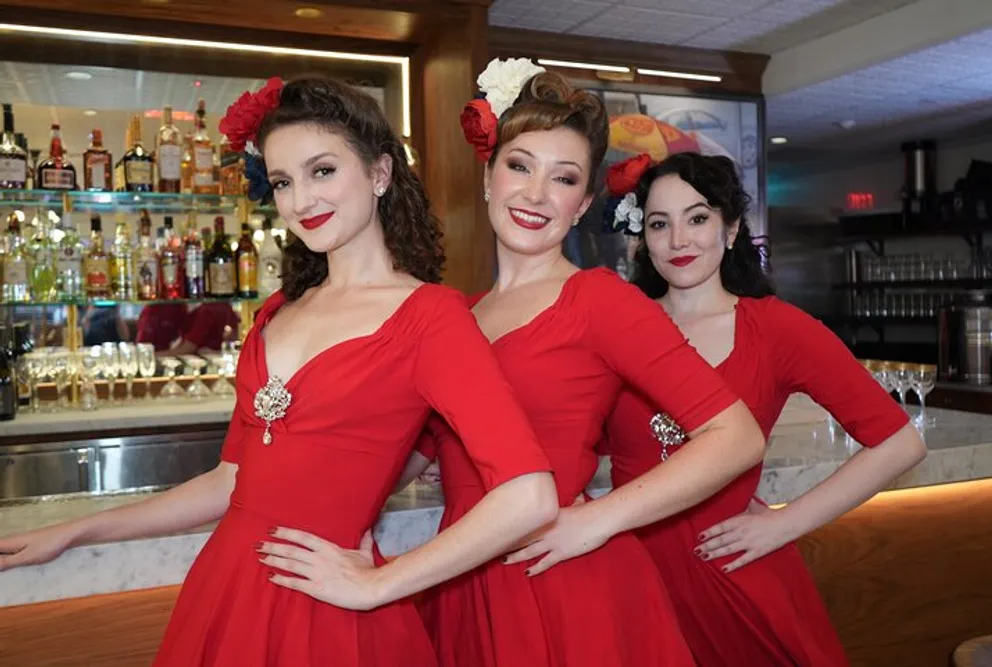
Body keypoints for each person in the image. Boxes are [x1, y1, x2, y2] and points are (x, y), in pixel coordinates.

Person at [0, 76, 560, 667]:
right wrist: (77, 530)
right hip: (226, 589)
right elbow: (229, 483)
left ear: (379, 174)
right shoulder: (278, 311)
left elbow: (529, 495)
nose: (300, 201)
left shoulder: (430, 317)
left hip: (325, 609)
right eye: (284, 182)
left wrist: (381, 583)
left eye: (323, 171)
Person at [402, 60, 765, 667]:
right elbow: (418, 449)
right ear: (488, 177)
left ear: (584, 202)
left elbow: (737, 437)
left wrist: (598, 521)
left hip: (560, 583)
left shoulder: (599, 300)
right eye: (520, 166)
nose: (537, 194)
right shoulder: (456, 315)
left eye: (563, 178)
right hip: (462, 579)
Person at [601, 151, 927, 666]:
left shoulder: (776, 329)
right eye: (660, 223)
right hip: (631, 578)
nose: (679, 240)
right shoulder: (615, 325)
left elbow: (900, 442)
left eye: (699, 218)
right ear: (643, 236)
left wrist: (785, 523)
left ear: (730, 231)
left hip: (731, 575)